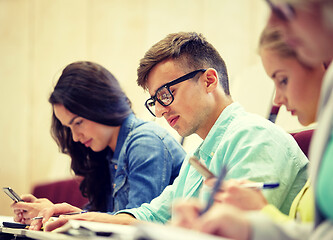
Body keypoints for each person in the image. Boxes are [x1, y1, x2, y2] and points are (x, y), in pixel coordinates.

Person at [33, 32, 309, 232]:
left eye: (167, 94)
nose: (162, 110)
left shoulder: (253, 137)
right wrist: (81, 217)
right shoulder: (199, 156)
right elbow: (151, 215)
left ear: (209, 80)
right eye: (155, 101)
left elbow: (232, 232)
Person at [173, 0, 333, 239]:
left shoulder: (256, 136)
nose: (277, 100)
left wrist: (260, 215)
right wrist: (249, 225)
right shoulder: (198, 153)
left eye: (283, 80)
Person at [12, 61, 185, 225]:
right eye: (68, 127)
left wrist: (67, 217)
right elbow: (107, 217)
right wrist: (51, 214)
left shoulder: (145, 142)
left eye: (78, 122)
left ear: (102, 106)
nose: (75, 137)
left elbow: (134, 223)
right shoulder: (108, 151)